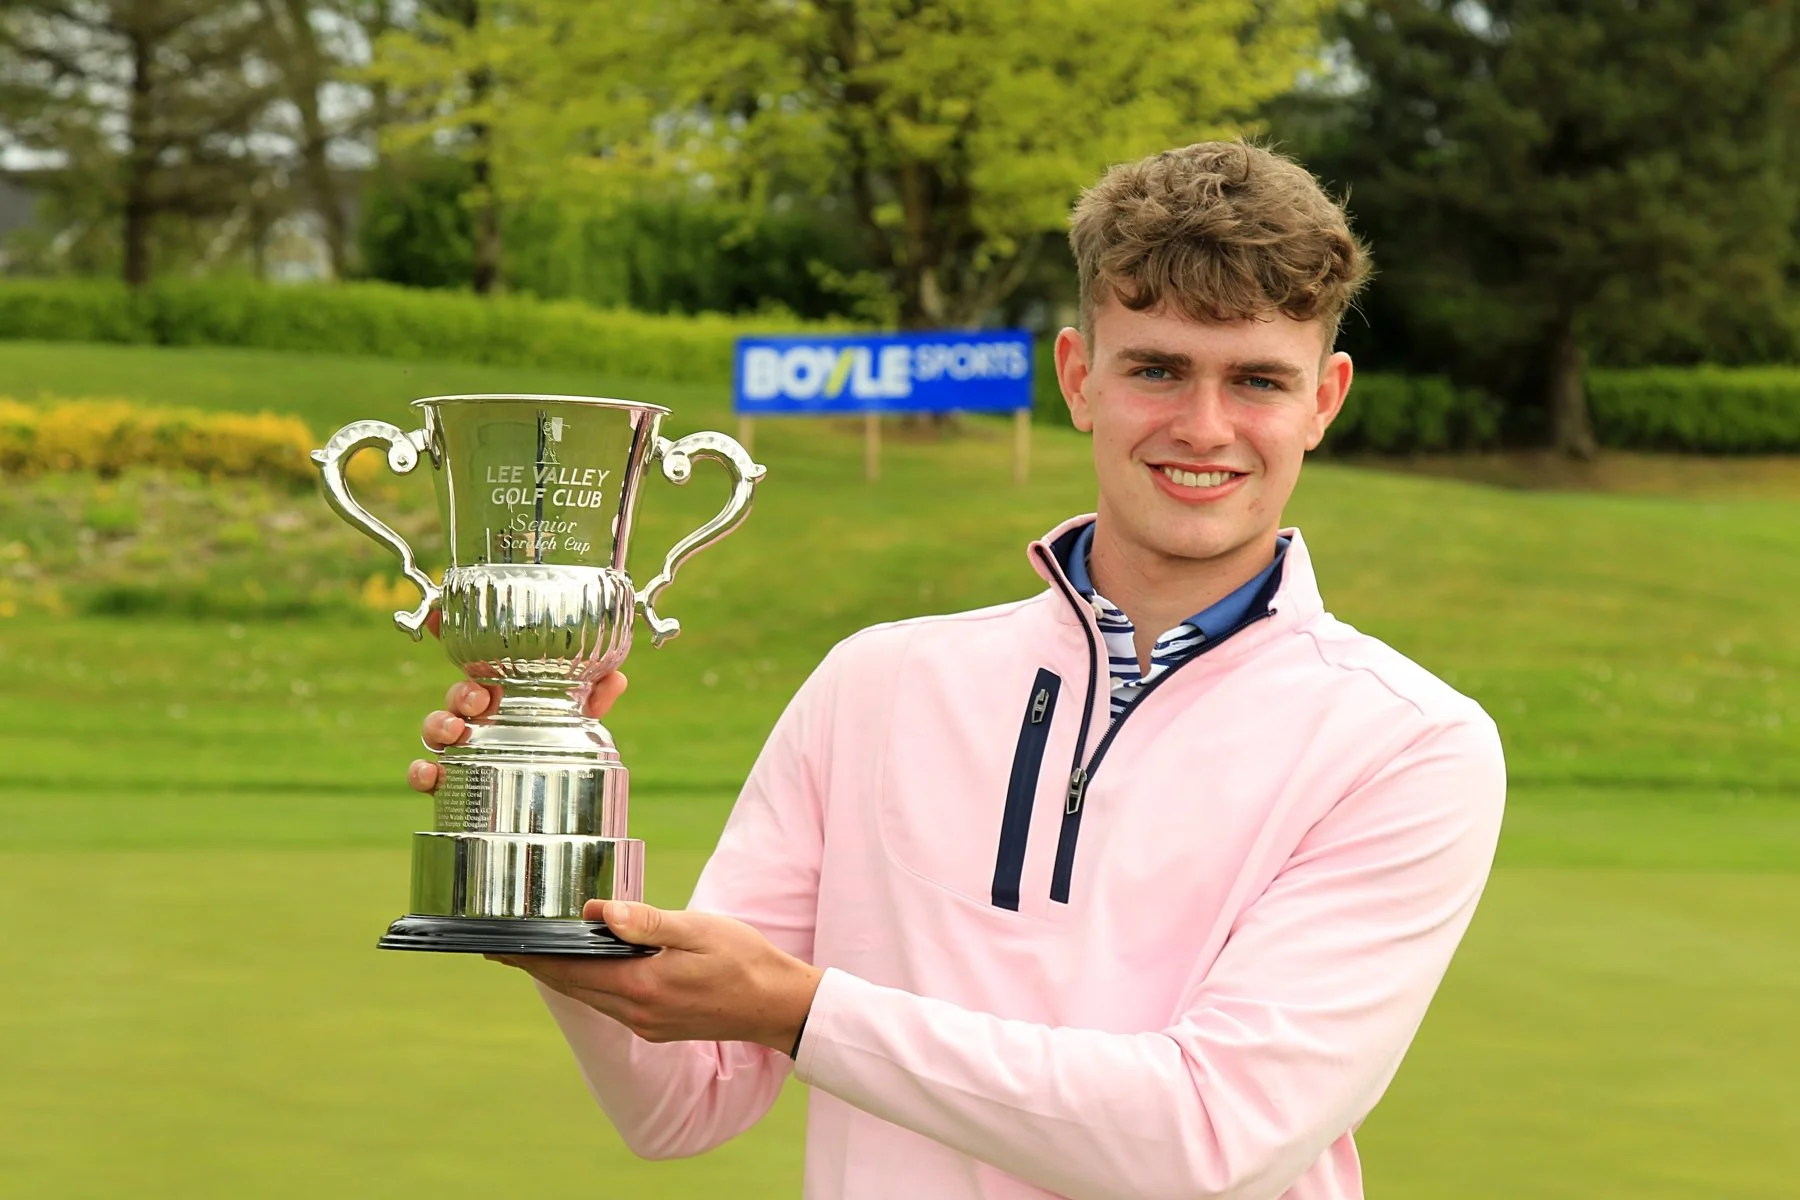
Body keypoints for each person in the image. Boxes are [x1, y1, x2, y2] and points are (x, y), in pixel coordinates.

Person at [409, 140, 1506, 1200]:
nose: (1205, 426)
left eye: (1258, 380)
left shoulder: (1408, 743)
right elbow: (686, 1099)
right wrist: (539, 872)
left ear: (1325, 399)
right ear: (1080, 378)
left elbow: (1208, 1138)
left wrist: (804, 1013)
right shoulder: (877, 684)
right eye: (1158, 369)